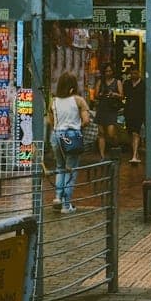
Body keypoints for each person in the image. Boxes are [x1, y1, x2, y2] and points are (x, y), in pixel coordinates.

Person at [49, 72, 91, 212]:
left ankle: (58, 197)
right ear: (72, 87)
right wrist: (77, 126)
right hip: (72, 136)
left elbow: (51, 121)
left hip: (56, 136)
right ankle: (66, 205)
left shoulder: (53, 101)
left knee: (60, 167)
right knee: (70, 170)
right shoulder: (78, 100)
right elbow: (86, 120)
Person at [93, 63, 124, 159]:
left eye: (110, 71)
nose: (108, 73)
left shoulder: (117, 82)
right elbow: (96, 95)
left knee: (111, 133)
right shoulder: (100, 81)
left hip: (112, 109)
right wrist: (101, 94)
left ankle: (116, 146)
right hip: (102, 108)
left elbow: (122, 95)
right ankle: (102, 155)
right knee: (101, 133)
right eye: (106, 71)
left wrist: (114, 94)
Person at [122, 64, 145, 164]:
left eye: (135, 73)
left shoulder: (143, 84)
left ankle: (134, 154)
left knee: (136, 132)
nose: (134, 75)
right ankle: (135, 152)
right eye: (132, 73)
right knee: (130, 132)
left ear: (139, 73)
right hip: (128, 111)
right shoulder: (126, 83)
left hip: (139, 111)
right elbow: (124, 96)